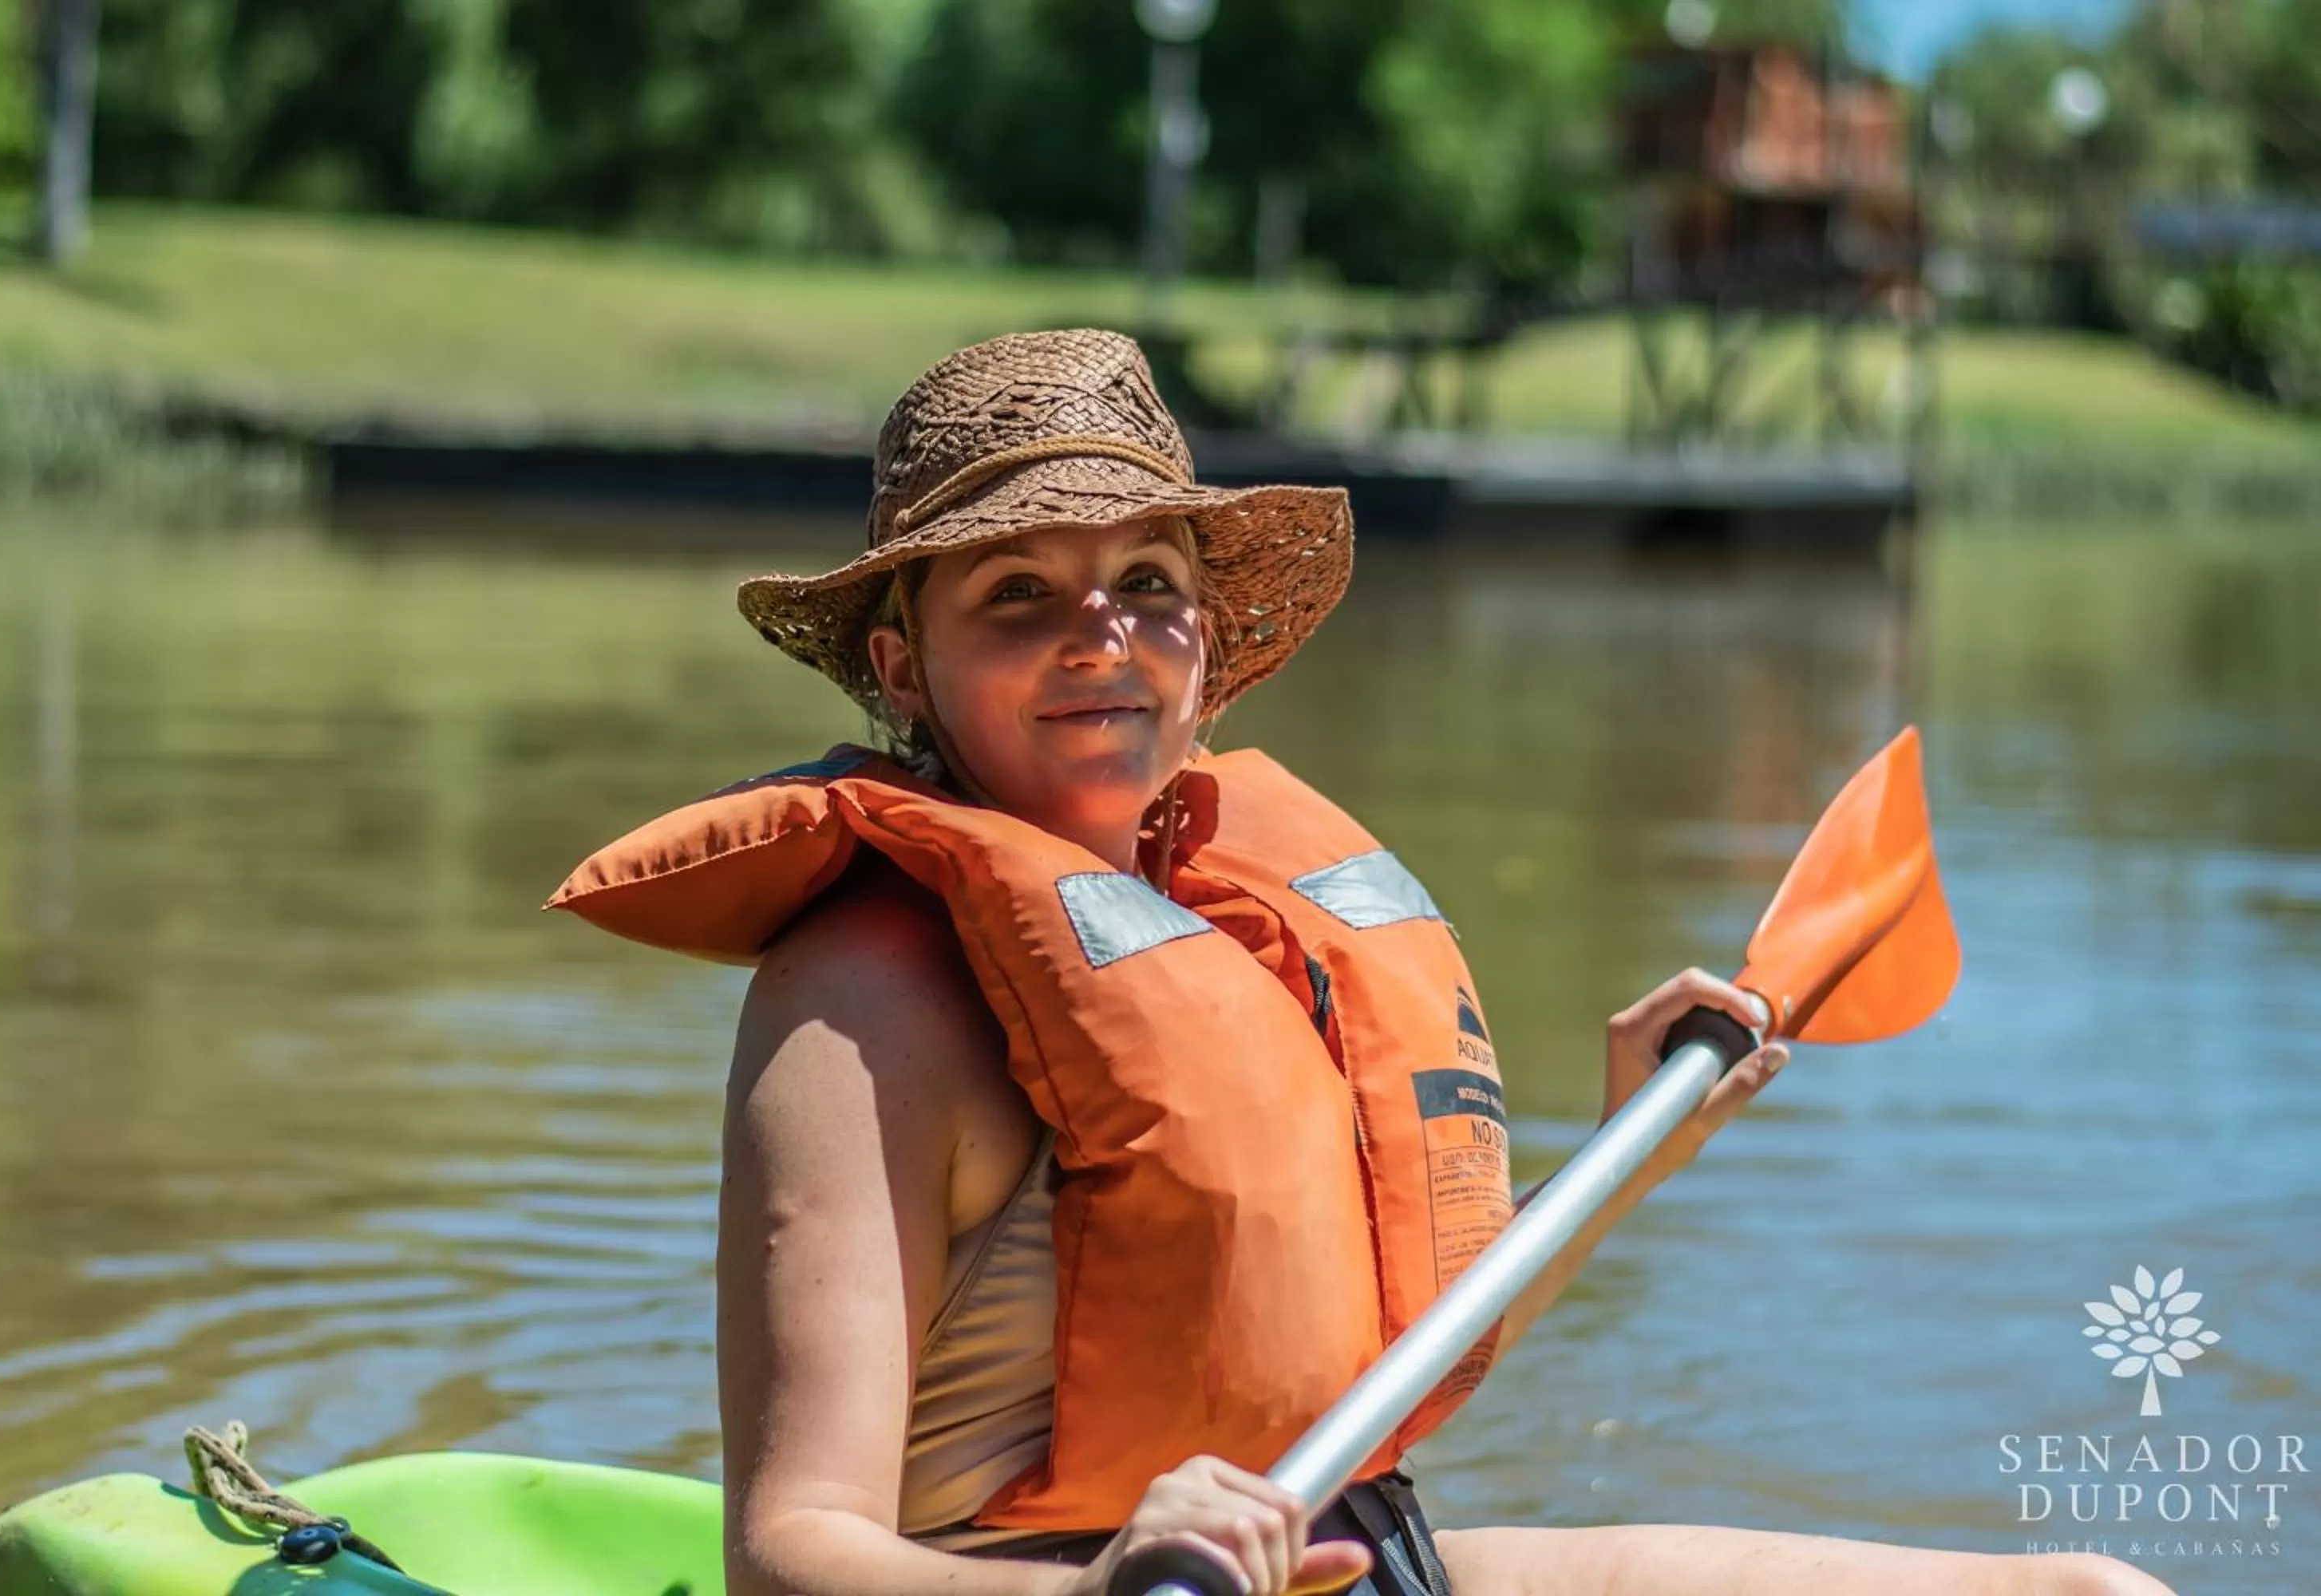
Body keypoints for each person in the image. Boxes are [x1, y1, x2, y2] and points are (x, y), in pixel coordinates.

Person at [550, 330, 2170, 1596]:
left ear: (1209, 655)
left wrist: (1634, 1144)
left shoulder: (1232, 927)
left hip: (1362, 1558)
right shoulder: (860, 1004)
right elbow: (790, 1550)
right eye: (1019, 594)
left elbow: (1337, 1368)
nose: (1100, 636)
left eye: (1149, 588)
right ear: (904, 663)